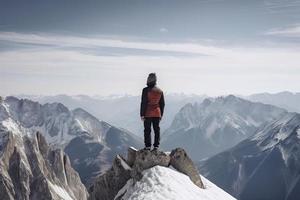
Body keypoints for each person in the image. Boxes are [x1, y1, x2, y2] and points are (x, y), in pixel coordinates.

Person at [140, 73, 165, 151]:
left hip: (147, 113)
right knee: (156, 130)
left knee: (147, 130)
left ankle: (148, 146)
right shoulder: (160, 91)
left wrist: (142, 114)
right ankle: (156, 146)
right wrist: (161, 114)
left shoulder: (145, 90)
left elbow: (144, 102)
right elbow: (162, 104)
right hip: (157, 113)